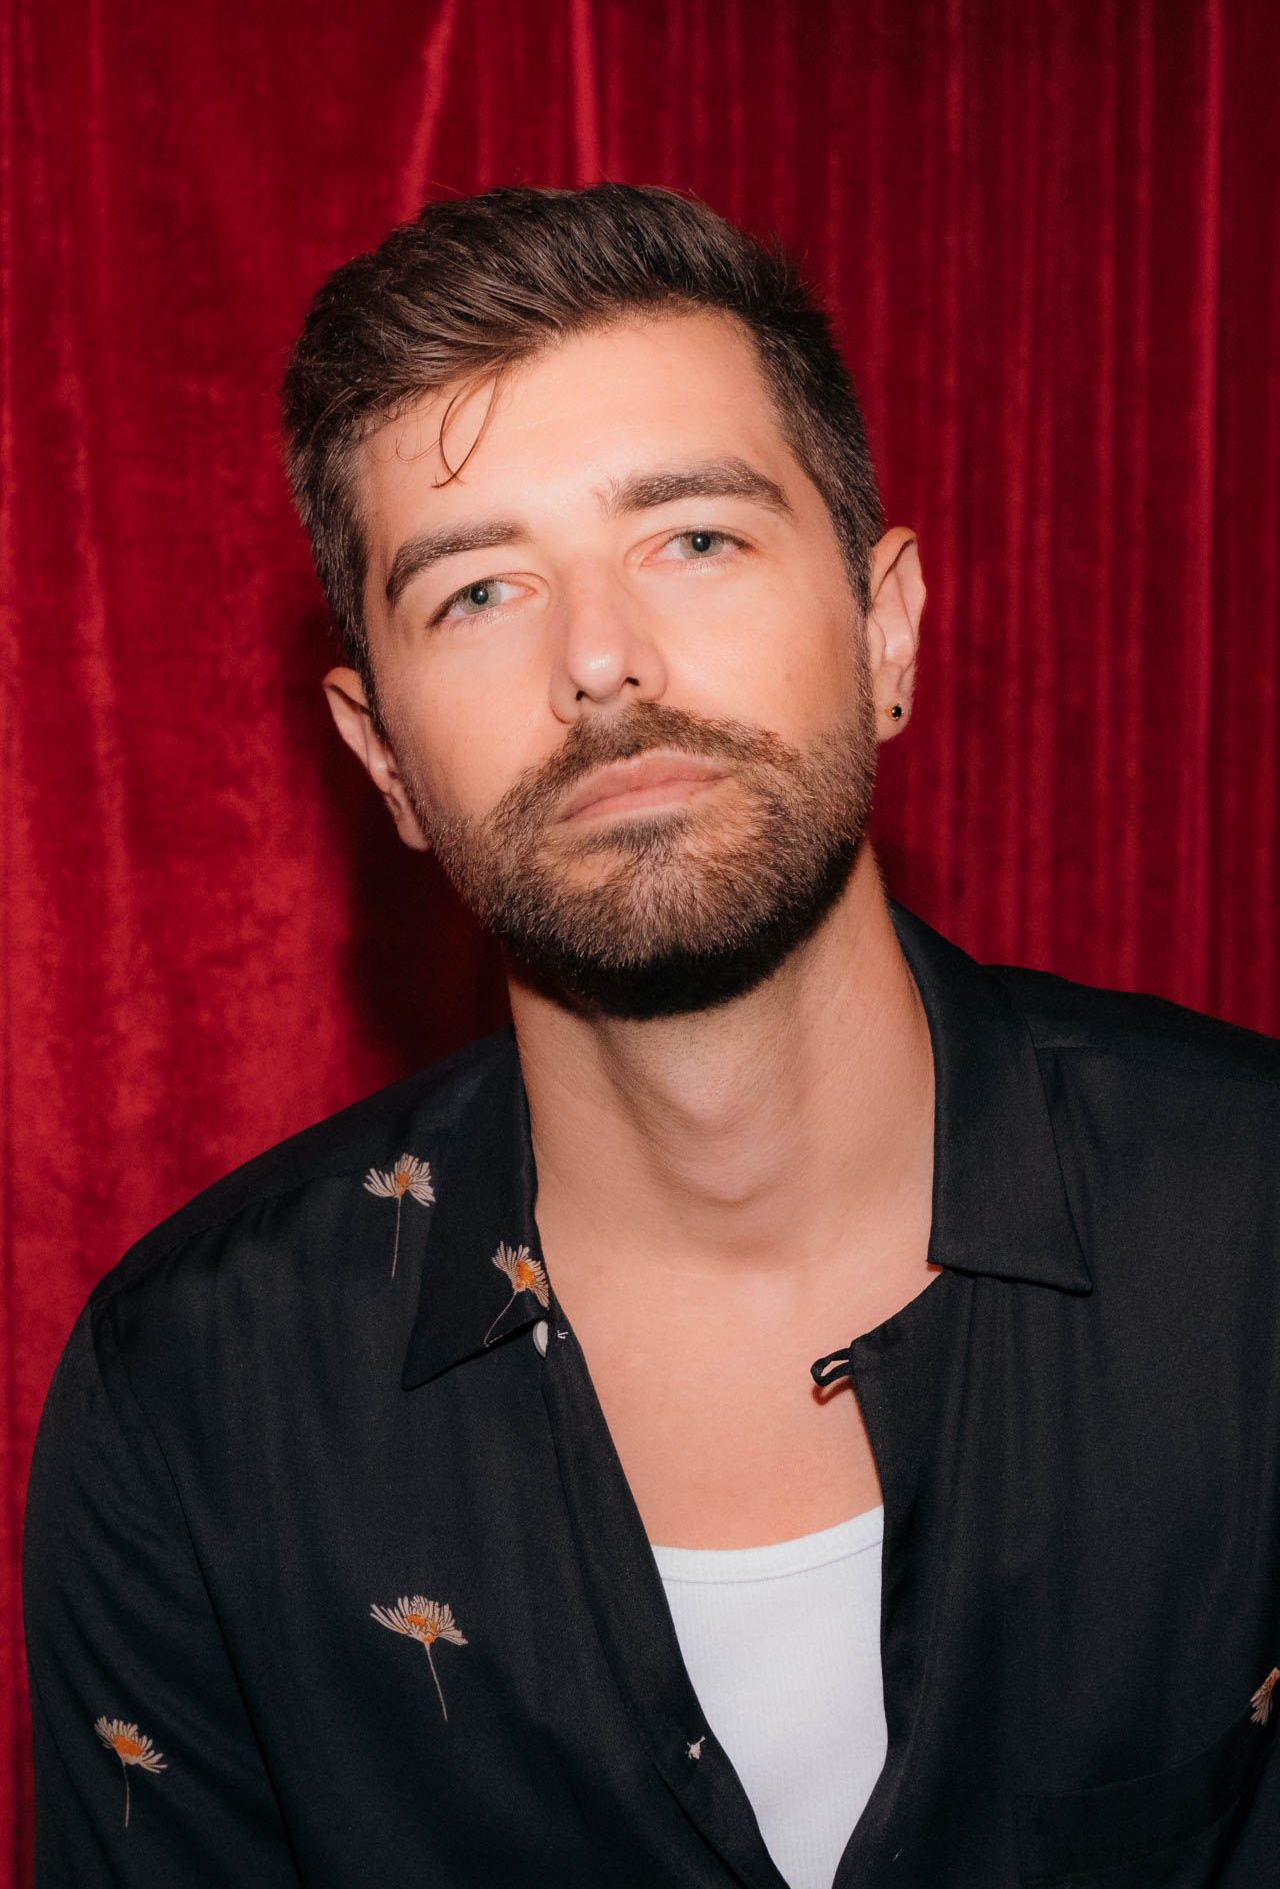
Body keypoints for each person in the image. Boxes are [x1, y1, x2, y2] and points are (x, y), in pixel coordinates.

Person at [22, 183, 1280, 1889]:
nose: (603, 660)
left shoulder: (1258, 1243)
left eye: (693, 537)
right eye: (478, 591)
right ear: (381, 757)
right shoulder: (194, 1404)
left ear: (885, 626)